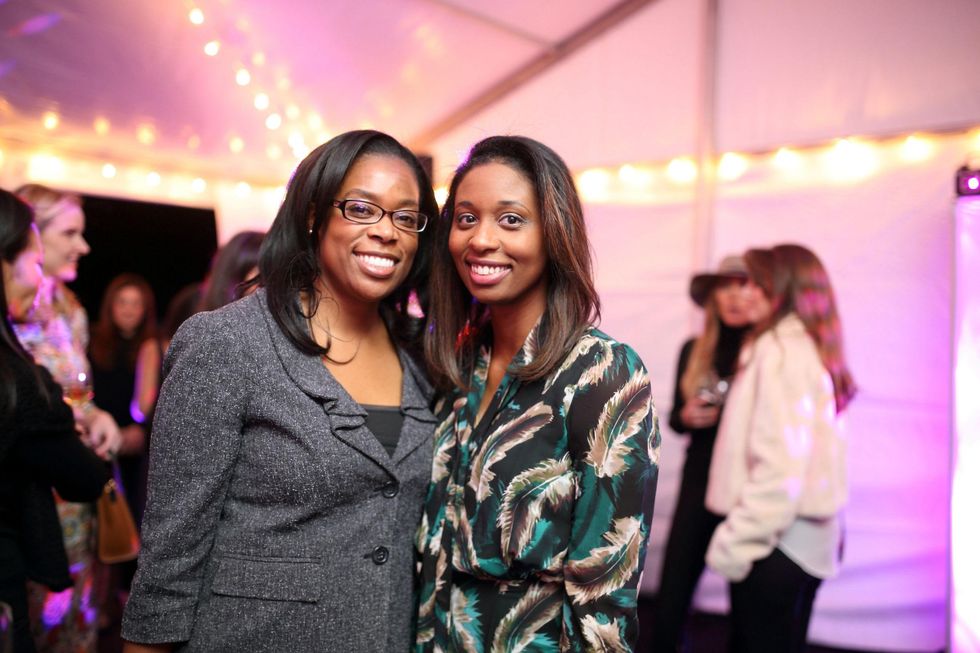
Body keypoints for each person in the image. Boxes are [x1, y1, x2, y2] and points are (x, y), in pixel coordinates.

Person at [121, 130, 438, 652]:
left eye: (406, 217)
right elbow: (170, 555)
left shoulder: (421, 358)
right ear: (314, 214)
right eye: (362, 208)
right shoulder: (228, 343)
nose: (388, 231)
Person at [415, 135, 660, 651]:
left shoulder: (602, 372)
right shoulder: (456, 362)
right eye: (465, 218)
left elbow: (606, 589)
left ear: (554, 233)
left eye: (510, 220)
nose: (480, 240)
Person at [705, 244, 856, 653]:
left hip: (779, 545)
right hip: (798, 545)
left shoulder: (781, 351)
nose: (745, 292)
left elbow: (779, 471)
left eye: (758, 283)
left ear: (785, 289)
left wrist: (732, 544)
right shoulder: (804, 346)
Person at [13, 184, 121, 652]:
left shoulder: (71, 311)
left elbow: (81, 396)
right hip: (30, 500)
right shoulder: (10, 316)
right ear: (29, 236)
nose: (84, 246)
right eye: (71, 233)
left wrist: (100, 419)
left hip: (80, 500)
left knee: (81, 622)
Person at [652, 255, 755, 652]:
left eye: (742, 285)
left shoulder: (762, 353)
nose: (732, 297)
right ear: (712, 297)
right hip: (698, 478)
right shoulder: (694, 349)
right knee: (675, 585)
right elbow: (677, 417)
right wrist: (686, 415)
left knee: (746, 596)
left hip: (745, 483)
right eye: (724, 287)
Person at [89, 273, 161, 522]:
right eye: (122, 302)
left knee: (134, 513)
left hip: (137, 446)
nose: (128, 310)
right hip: (97, 442)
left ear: (145, 309)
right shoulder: (92, 341)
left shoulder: (153, 347)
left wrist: (141, 431)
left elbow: (152, 401)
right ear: (110, 306)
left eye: (136, 303)